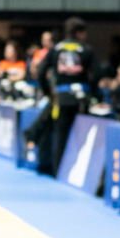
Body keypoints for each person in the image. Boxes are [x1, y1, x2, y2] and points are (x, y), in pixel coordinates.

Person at [38, 17, 98, 177]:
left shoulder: (56, 49)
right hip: (80, 99)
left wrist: (48, 93)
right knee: (81, 135)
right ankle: (80, 175)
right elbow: (97, 73)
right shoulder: (85, 49)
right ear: (79, 33)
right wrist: (92, 92)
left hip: (61, 98)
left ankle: (58, 172)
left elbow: (40, 72)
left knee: (60, 135)